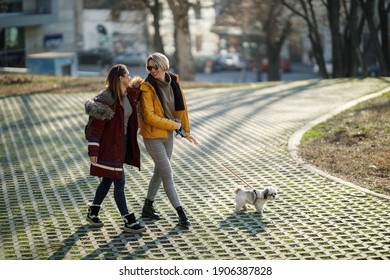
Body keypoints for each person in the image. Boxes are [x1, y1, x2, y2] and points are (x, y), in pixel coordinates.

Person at [84, 64, 146, 233]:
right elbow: (96, 128)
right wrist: (93, 150)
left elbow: (143, 90)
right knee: (119, 180)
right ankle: (128, 220)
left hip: (123, 144)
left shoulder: (127, 94)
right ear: (120, 78)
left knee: (108, 179)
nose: (130, 77)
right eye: (128, 75)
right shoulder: (107, 99)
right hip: (110, 146)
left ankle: (93, 211)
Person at [139, 52, 198, 228]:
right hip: (152, 136)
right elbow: (149, 117)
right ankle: (181, 214)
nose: (152, 70)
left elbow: (181, 109)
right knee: (167, 174)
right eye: (149, 67)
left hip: (168, 135)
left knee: (159, 172)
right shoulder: (146, 87)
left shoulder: (173, 82)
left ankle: (147, 207)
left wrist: (186, 131)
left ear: (164, 66)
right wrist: (174, 125)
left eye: (155, 67)